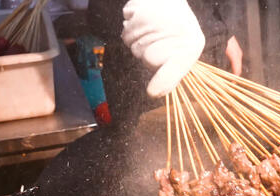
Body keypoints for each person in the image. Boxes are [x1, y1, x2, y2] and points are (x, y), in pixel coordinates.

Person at [86, 0, 242, 123]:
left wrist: (222, 25)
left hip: (207, 41)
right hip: (146, 46)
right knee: (146, 151)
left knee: (216, 145)